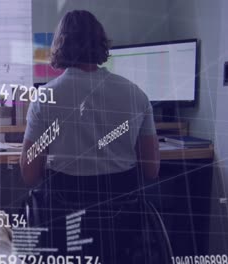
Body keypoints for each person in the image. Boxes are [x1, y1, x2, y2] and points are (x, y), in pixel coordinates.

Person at [19, 10, 160, 262]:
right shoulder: (136, 95)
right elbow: (151, 170)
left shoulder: (44, 99)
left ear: (60, 45)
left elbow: (29, 175)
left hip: (64, 225)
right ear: (100, 43)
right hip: (121, 227)